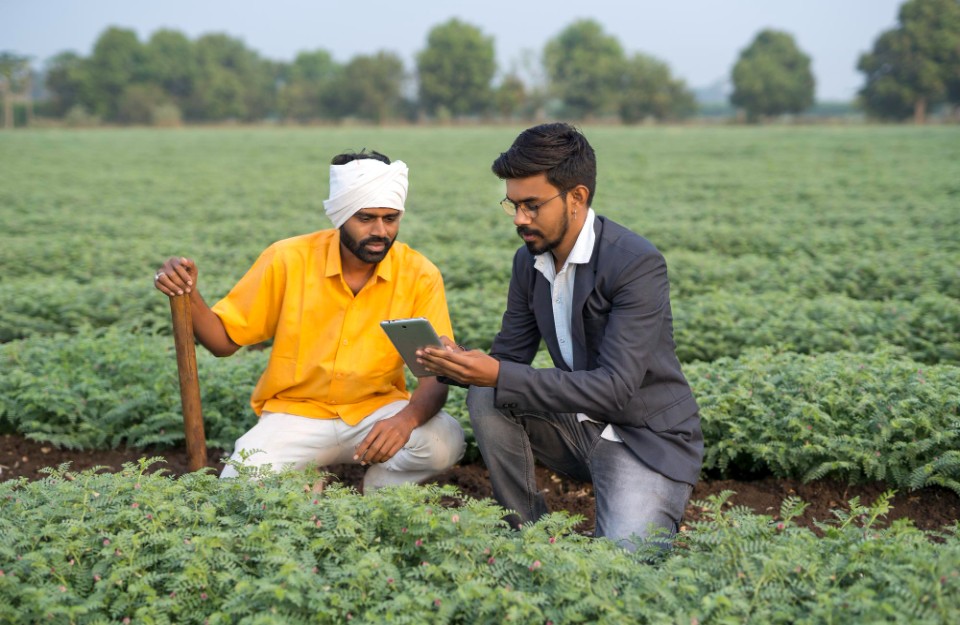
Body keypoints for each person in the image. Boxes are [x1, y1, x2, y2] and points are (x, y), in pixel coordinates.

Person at [417, 123, 703, 550]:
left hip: (644, 438)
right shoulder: (529, 261)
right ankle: (530, 536)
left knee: (623, 563)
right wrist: (457, 366)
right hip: (578, 427)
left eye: (532, 205)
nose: (519, 219)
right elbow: (508, 359)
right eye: (512, 205)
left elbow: (614, 388)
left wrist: (495, 372)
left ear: (577, 197)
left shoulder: (635, 263)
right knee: (486, 394)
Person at [154, 150, 465, 490]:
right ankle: (305, 479)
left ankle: (382, 493)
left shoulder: (419, 274)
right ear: (341, 216)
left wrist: (404, 421)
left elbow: (434, 374)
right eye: (366, 218)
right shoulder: (288, 260)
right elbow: (222, 342)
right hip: (296, 415)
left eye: (390, 219)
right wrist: (188, 293)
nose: (380, 231)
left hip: (375, 412)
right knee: (239, 484)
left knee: (444, 442)